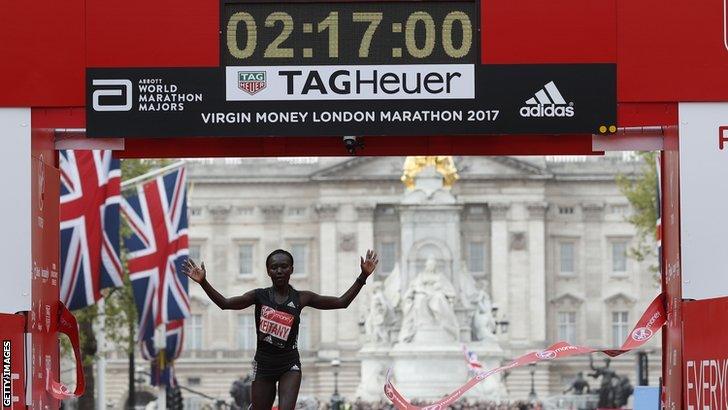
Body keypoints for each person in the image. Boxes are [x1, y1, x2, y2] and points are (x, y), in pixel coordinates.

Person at [184, 249, 379, 410]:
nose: (279, 270)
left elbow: (341, 302)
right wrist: (203, 283)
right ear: (268, 271)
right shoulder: (258, 296)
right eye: (274, 267)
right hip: (263, 365)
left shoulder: (302, 298)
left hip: (289, 364)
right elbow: (225, 304)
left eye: (284, 266)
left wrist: (363, 275)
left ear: (291, 269)